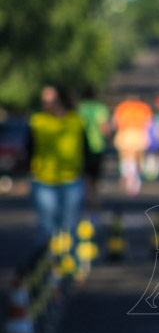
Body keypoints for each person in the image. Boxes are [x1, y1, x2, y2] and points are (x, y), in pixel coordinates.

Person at [28, 85, 87, 250]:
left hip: (71, 179)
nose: (46, 104)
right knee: (47, 227)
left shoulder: (75, 121)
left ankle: (71, 264)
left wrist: (89, 175)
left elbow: (85, 148)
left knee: (70, 226)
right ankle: (48, 267)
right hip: (43, 179)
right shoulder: (37, 121)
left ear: (61, 100)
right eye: (44, 101)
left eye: (50, 101)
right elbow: (29, 148)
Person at [76, 86, 110, 217]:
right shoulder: (99, 108)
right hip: (97, 146)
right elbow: (104, 127)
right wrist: (107, 139)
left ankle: (83, 205)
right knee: (95, 179)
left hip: (80, 147)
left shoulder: (79, 108)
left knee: (82, 177)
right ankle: (94, 204)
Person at [112, 96, 153, 196]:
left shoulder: (122, 107)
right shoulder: (143, 107)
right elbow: (149, 123)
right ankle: (136, 181)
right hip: (139, 134)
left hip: (125, 134)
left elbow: (115, 122)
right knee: (138, 159)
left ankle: (127, 178)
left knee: (126, 157)